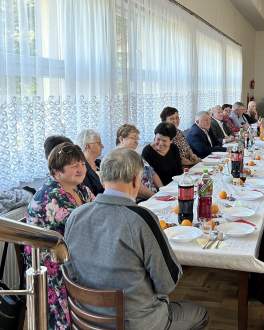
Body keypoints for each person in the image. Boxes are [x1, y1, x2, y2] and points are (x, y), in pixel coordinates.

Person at [64, 148, 208, 330]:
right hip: (135, 323)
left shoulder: (76, 215)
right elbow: (167, 283)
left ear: (102, 178)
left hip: (87, 319)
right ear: (135, 180)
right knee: (200, 313)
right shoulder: (141, 219)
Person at [26, 142, 94, 329]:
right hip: (50, 264)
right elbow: (88, 231)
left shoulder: (80, 188)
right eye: (74, 166)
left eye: (82, 163)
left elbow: (96, 216)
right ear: (56, 172)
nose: (81, 168)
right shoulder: (54, 196)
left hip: (71, 252)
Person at [116, 124, 163, 199]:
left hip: (153, 196)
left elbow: (152, 172)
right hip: (141, 200)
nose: (137, 142)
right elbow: (135, 186)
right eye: (133, 138)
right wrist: (155, 197)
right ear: (121, 139)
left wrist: (163, 191)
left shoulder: (134, 154)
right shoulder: (118, 159)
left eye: (137, 139)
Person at [76, 129, 104, 195]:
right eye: (99, 143)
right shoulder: (80, 168)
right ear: (87, 146)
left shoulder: (100, 163)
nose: (102, 146)